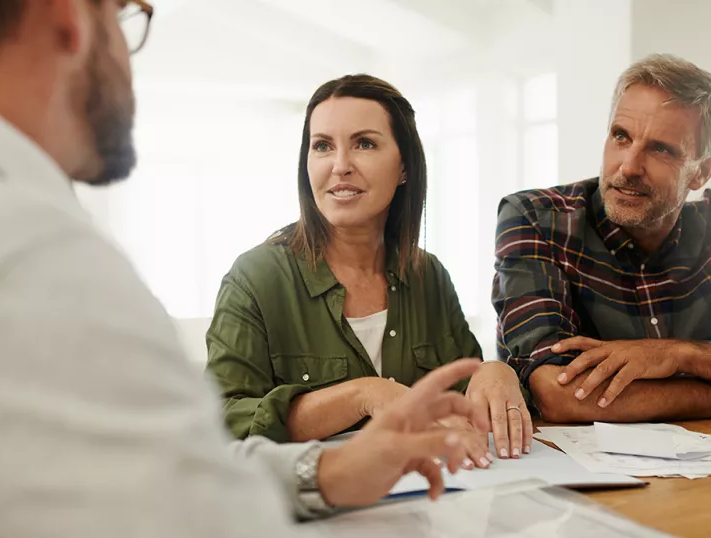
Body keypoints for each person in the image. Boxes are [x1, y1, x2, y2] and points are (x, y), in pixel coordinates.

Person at [0, 1, 492, 535]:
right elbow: (212, 513)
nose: (339, 165)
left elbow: (155, 470)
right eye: (127, 14)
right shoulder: (48, 263)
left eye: (364, 144)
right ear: (70, 18)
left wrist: (322, 473)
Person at [493, 54, 711, 424]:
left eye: (661, 149)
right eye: (621, 136)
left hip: (691, 467)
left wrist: (682, 355)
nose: (629, 166)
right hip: (565, 472)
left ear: (701, 172)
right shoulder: (536, 218)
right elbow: (558, 393)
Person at [205, 74, 532, 468]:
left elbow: (463, 394)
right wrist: (364, 394)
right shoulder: (255, 278)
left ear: (405, 167)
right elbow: (220, 421)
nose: (340, 166)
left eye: (364, 143)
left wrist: (495, 373)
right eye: (323, 146)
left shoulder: (429, 276)